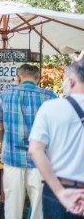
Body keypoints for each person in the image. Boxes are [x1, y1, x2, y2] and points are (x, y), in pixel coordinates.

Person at [0, 64, 57, 219]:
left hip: (12, 158)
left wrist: (0, 141)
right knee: (40, 206)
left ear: (18, 78)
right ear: (38, 79)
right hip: (41, 160)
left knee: (12, 205)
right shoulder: (50, 96)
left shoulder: (6, 94)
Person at [29, 59, 84, 218]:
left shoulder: (51, 107)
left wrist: (60, 193)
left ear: (71, 81)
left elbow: (35, 150)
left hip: (58, 191)